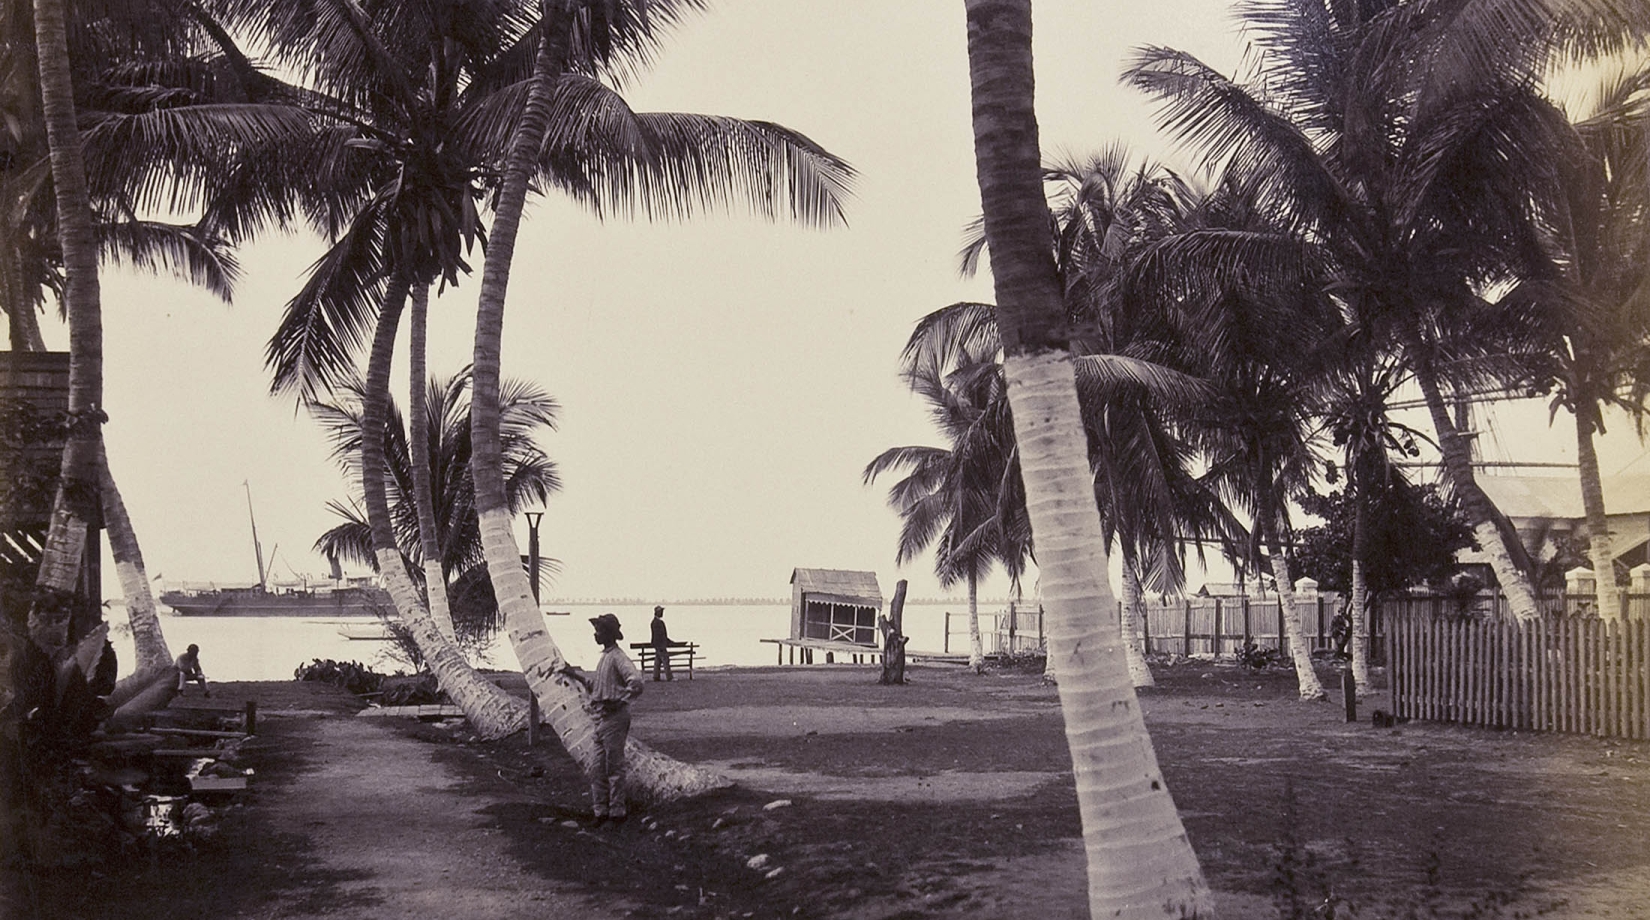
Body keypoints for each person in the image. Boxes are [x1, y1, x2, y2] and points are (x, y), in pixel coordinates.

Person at [565, 614, 643, 825]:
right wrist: (575, 675)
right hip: (603, 718)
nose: (596, 634)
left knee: (614, 766)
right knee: (597, 767)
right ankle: (601, 811)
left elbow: (636, 682)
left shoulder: (617, 657)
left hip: (614, 717)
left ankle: (617, 812)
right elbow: (598, 687)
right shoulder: (606, 658)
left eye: (599, 630)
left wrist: (621, 701)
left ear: (609, 633)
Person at [650, 605, 677, 681]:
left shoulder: (653, 622)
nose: (662, 613)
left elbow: (657, 636)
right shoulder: (659, 623)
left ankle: (656, 676)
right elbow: (662, 635)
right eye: (661, 611)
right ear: (658, 612)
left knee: (658, 661)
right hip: (661, 645)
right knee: (665, 660)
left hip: (657, 645)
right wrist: (668, 642)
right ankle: (669, 677)